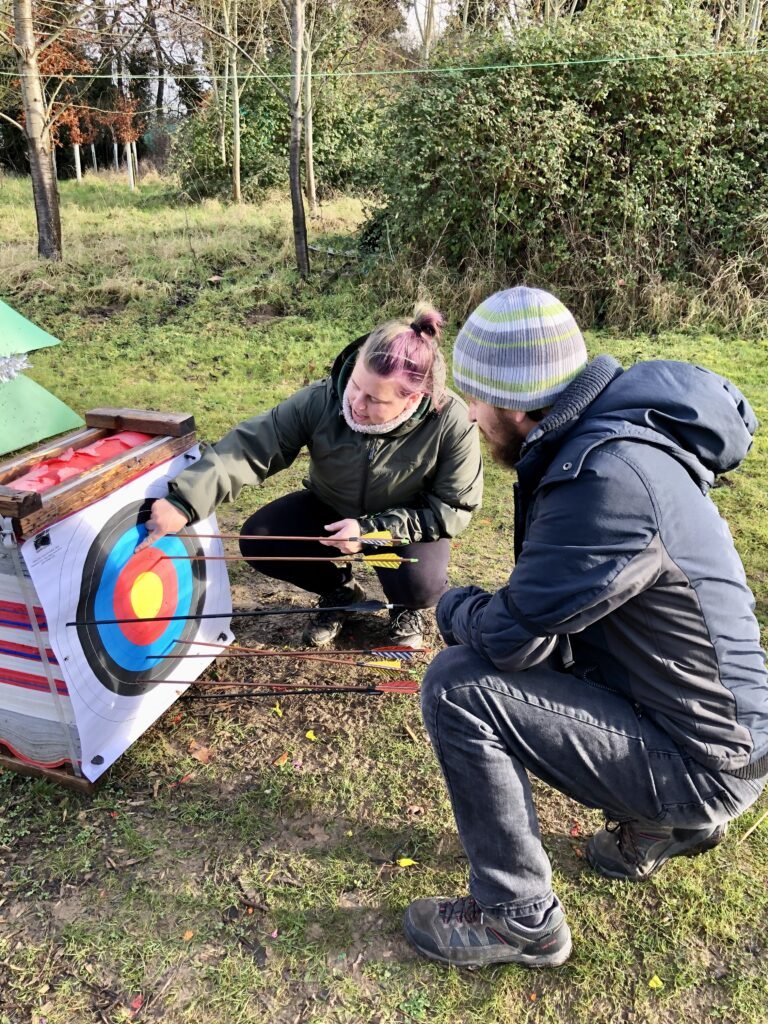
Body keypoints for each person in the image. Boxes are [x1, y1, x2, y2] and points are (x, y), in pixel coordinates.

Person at [402, 286, 768, 968]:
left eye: (475, 402)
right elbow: (546, 621)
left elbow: (510, 637)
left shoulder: (606, 480)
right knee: (532, 656)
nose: (472, 418)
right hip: (720, 731)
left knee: (458, 684)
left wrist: (449, 607)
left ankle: (519, 918)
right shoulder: (613, 435)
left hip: (710, 760)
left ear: (515, 405)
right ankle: (669, 823)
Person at [141, 305, 483, 650]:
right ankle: (340, 590)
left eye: (374, 399)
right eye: (355, 386)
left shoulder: (452, 421)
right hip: (330, 509)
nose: (356, 403)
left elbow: (452, 507)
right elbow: (253, 446)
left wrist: (369, 534)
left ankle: (403, 607)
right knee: (260, 539)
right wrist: (185, 501)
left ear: (414, 397)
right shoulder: (324, 397)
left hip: (398, 530)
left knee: (420, 585)